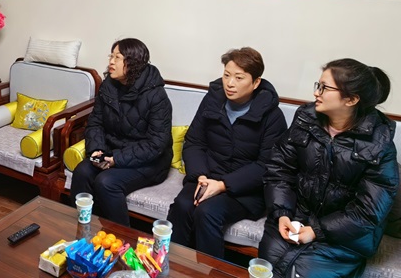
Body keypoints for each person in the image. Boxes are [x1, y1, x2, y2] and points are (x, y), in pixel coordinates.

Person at [259, 58, 398, 278]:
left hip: (345, 239)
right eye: (318, 85)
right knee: (266, 267)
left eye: (324, 88)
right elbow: (279, 169)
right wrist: (282, 213)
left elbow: (369, 211)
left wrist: (316, 231)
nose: (316, 93)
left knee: (304, 272)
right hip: (293, 219)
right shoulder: (305, 120)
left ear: (351, 99)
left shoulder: (379, 144)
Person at [168, 47, 287, 259]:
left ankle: (209, 271)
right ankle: (174, 263)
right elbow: (194, 142)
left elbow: (266, 165)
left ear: (256, 82)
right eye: (226, 75)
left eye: (239, 78)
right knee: (182, 206)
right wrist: (201, 176)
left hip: (245, 190)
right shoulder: (212, 101)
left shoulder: (272, 116)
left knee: (207, 212)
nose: (230, 83)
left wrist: (223, 185)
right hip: (207, 177)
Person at [70, 38, 172, 226]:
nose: (111, 62)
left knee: (106, 182)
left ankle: (122, 238)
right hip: (113, 152)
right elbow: (95, 122)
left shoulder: (156, 96)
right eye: (111, 56)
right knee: (82, 171)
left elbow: (156, 144)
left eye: (117, 57)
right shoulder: (109, 86)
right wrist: (97, 150)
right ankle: (83, 229)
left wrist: (117, 159)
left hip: (150, 161)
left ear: (133, 63)